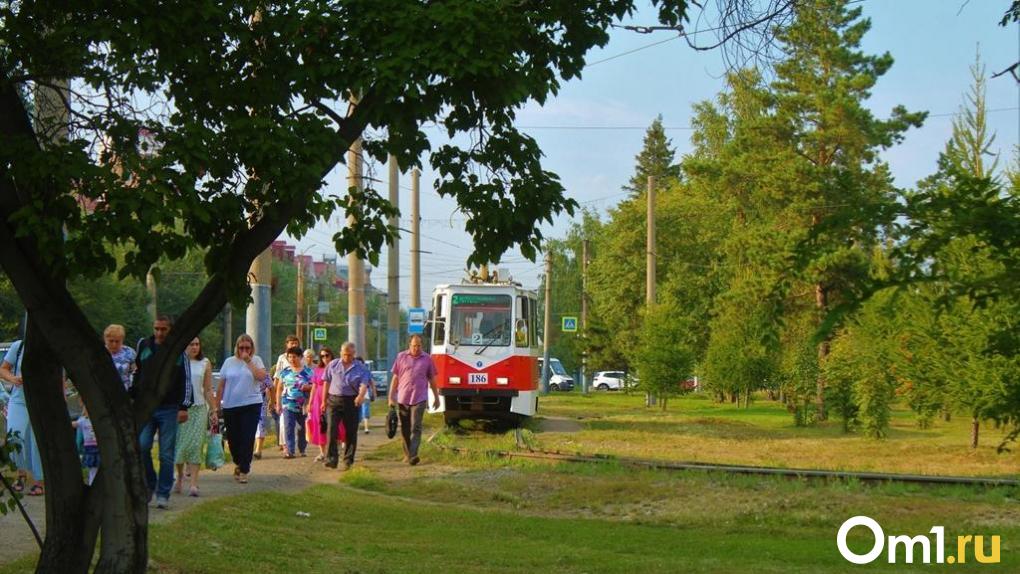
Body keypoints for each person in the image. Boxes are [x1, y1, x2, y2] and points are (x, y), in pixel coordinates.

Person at [134, 315, 193, 509]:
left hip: (169, 408)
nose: (159, 333)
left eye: (163, 329)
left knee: (166, 454)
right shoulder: (144, 346)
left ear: (170, 331)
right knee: (142, 447)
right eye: (156, 328)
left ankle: (163, 492)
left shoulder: (177, 352)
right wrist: (133, 396)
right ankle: (150, 483)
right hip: (147, 407)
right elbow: (138, 373)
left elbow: (186, 379)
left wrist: (184, 406)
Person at [216, 334, 268, 484]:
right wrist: (216, 405)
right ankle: (238, 462)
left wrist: (249, 361)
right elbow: (221, 385)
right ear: (237, 348)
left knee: (247, 437)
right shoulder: (229, 362)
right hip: (231, 405)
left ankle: (244, 469)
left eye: (247, 347)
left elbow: (262, 377)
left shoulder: (256, 360)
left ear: (252, 348)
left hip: (251, 404)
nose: (244, 350)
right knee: (233, 439)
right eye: (241, 348)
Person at [0, 340, 45, 495]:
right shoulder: (18, 346)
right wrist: (13, 379)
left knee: (36, 440)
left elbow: (59, 374)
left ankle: (40, 481)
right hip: (19, 398)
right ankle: (20, 474)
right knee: (14, 436)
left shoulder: (48, 345)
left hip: (41, 400)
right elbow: (3, 369)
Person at [388, 334, 439, 466]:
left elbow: (432, 380)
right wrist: (391, 397)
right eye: (414, 345)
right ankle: (407, 454)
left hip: (420, 397)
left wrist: (436, 397)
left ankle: (413, 454)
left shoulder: (427, 359)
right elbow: (395, 378)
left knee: (416, 427)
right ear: (409, 345)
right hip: (403, 398)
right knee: (405, 428)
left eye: (419, 345)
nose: (416, 348)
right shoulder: (401, 357)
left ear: (422, 345)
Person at [320, 341, 370, 470]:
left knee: (351, 431)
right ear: (340, 353)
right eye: (344, 354)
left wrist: (360, 396)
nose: (346, 357)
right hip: (333, 400)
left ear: (354, 354)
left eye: (349, 355)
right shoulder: (333, 365)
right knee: (331, 429)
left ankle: (348, 459)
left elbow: (364, 385)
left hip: (351, 401)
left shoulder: (361, 367)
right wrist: (323, 401)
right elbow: (326, 382)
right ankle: (331, 458)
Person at [174, 337, 214, 497]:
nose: (195, 347)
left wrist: (214, 410)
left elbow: (208, 388)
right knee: (180, 445)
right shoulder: (177, 363)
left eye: (197, 344)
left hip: (198, 408)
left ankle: (194, 484)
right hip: (181, 409)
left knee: (196, 445)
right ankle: (179, 477)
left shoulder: (204, 362)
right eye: (191, 344)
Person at [264, 334, 301, 457]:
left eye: (296, 343)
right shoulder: (282, 358)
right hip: (285, 395)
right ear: (287, 344)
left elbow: (307, 374)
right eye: (291, 343)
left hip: (300, 396)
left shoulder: (302, 357)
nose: (294, 345)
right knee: (284, 423)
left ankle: (299, 445)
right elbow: (277, 377)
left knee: (299, 424)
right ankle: (287, 447)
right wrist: (273, 398)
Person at [276, 347, 313, 458]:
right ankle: (290, 451)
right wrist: (278, 404)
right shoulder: (285, 372)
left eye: (294, 357)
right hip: (288, 403)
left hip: (303, 404)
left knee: (302, 428)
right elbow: (279, 388)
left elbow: (315, 387)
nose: (292, 359)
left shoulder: (308, 371)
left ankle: (302, 448)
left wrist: (308, 387)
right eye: (290, 357)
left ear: (301, 357)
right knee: (288, 426)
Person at [307, 346, 332, 462]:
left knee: (333, 425)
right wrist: (310, 403)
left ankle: (332, 451)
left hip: (332, 399)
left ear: (331, 356)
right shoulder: (318, 370)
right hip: (318, 399)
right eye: (322, 356)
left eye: (327, 355)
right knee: (320, 424)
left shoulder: (335, 368)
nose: (325, 358)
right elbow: (314, 387)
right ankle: (322, 452)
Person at [72, 405, 99, 485]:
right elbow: (74, 424)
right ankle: (92, 484)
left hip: (98, 447)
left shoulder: (98, 420)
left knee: (97, 468)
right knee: (92, 469)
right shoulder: (82, 420)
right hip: (90, 448)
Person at [104, 324, 136, 391]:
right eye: (111, 341)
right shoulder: (99, 352)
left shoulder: (129, 352)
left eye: (117, 341)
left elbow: (135, 372)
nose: (114, 344)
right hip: (104, 392)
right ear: (105, 339)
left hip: (125, 392)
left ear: (122, 340)